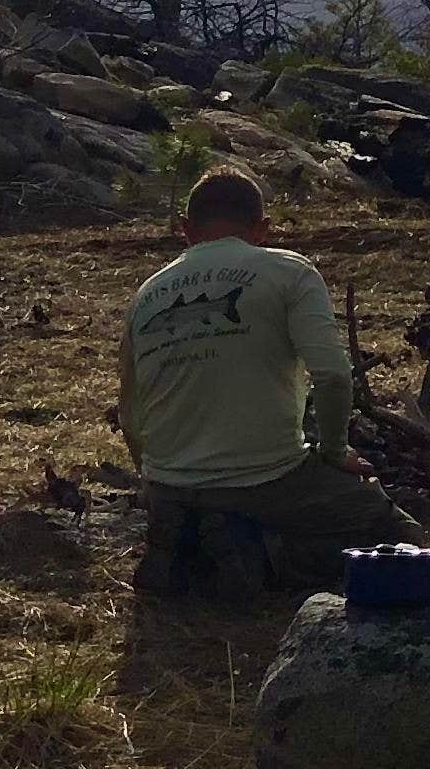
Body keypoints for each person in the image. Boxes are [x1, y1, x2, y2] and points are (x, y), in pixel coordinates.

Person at [119, 165, 408, 584]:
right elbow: (331, 376)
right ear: (263, 228)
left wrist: (156, 482)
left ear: (184, 228)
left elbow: (129, 410)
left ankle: (185, 538)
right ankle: (261, 555)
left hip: (167, 485)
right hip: (266, 477)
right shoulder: (290, 272)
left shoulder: (146, 295)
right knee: (396, 534)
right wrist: (332, 451)